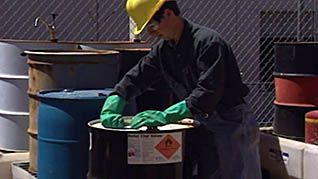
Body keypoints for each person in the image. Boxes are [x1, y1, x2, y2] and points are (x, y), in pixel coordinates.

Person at [100, 0, 262, 178]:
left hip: (231, 122)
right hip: (200, 121)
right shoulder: (165, 50)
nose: (151, 33)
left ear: (169, 13)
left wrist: (165, 116)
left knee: (237, 174)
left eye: (152, 25)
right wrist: (117, 97)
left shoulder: (208, 42)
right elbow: (139, 75)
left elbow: (208, 92)